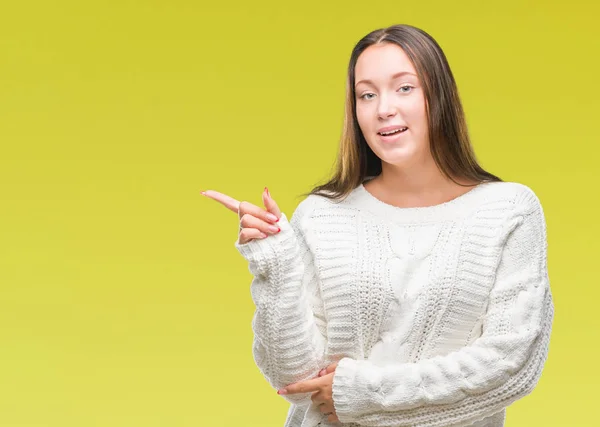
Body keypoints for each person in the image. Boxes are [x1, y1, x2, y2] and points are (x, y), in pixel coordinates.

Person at [201, 23, 554, 427]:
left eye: (405, 88)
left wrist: (361, 395)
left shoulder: (508, 211)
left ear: (438, 96)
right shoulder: (322, 216)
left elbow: (511, 364)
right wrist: (276, 263)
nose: (383, 108)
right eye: (366, 95)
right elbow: (293, 380)